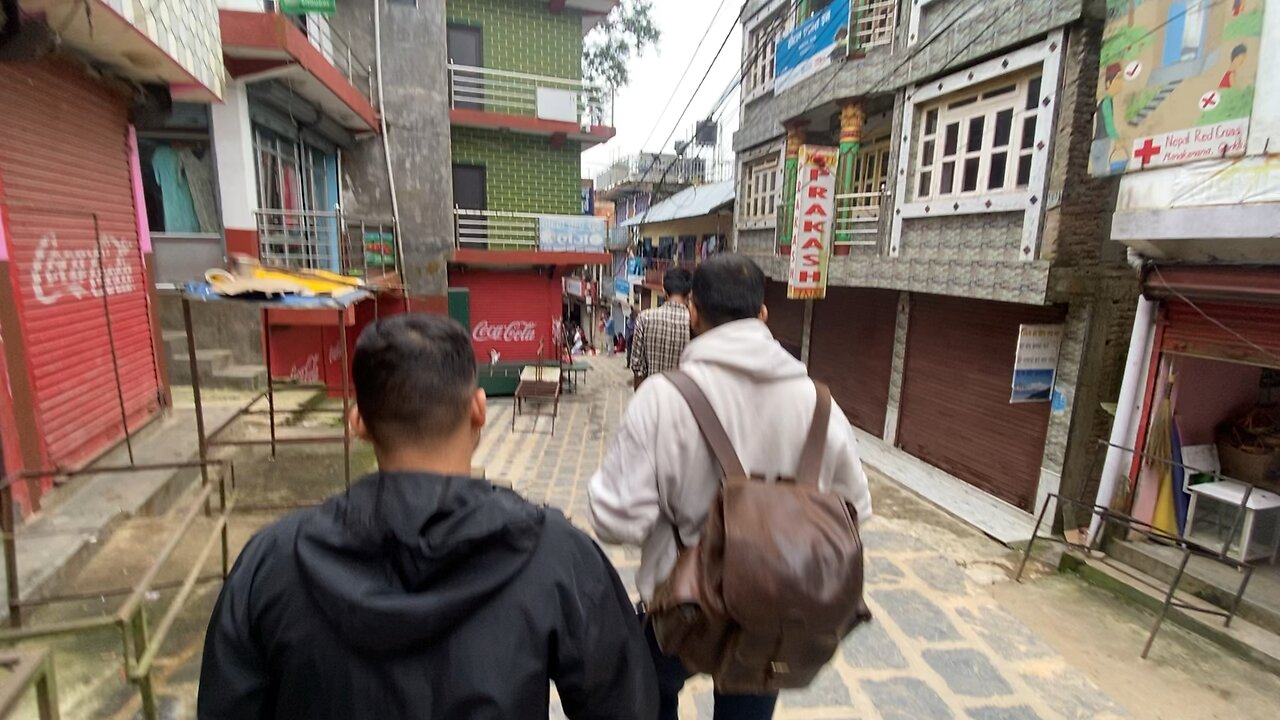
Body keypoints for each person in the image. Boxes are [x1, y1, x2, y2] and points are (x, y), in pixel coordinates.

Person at [199, 314, 656, 720]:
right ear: (478, 410)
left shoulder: (269, 563)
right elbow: (626, 703)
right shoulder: (558, 556)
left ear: (357, 423)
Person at [587, 254, 873, 720]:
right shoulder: (818, 403)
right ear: (763, 314)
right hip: (771, 613)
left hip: (679, 610)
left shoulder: (661, 399)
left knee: (650, 693)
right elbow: (855, 510)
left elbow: (617, 520)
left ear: (693, 313)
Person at [629, 268, 693, 390]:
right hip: (683, 401)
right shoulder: (694, 322)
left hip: (652, 397)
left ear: (664, 292)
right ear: (689, 293)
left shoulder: (645, 318)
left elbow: (638, 368)